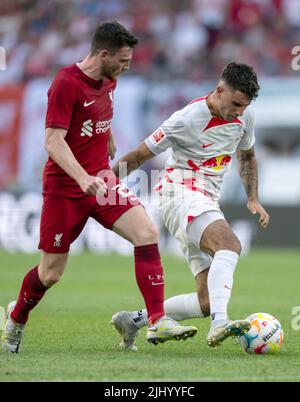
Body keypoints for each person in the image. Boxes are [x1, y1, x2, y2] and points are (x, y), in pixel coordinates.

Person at [1, 21, 197, 354]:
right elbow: (53, 140)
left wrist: (108, 137)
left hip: (102, 180)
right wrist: (81, 178)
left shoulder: (109, 80)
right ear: (103, 54)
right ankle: (16, 318)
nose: (126, 66)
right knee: (50, 274)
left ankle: (157, 319)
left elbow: (99, 111)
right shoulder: (65, 83)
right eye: (122, 60)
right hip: (65, 188)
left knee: (146, 232)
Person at [110, 62, 270, 350]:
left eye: (244, 106)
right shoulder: (185, 119)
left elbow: (246, 157)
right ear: (219, 90)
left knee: (206, 300)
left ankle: (132, 321)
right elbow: (138, 156)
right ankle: (221, 323)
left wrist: (253, 197)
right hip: (178, 193)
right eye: (235, 104)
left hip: (206, 201)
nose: (239, 112)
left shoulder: (245, 119)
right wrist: (102, 187)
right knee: (230, 245)